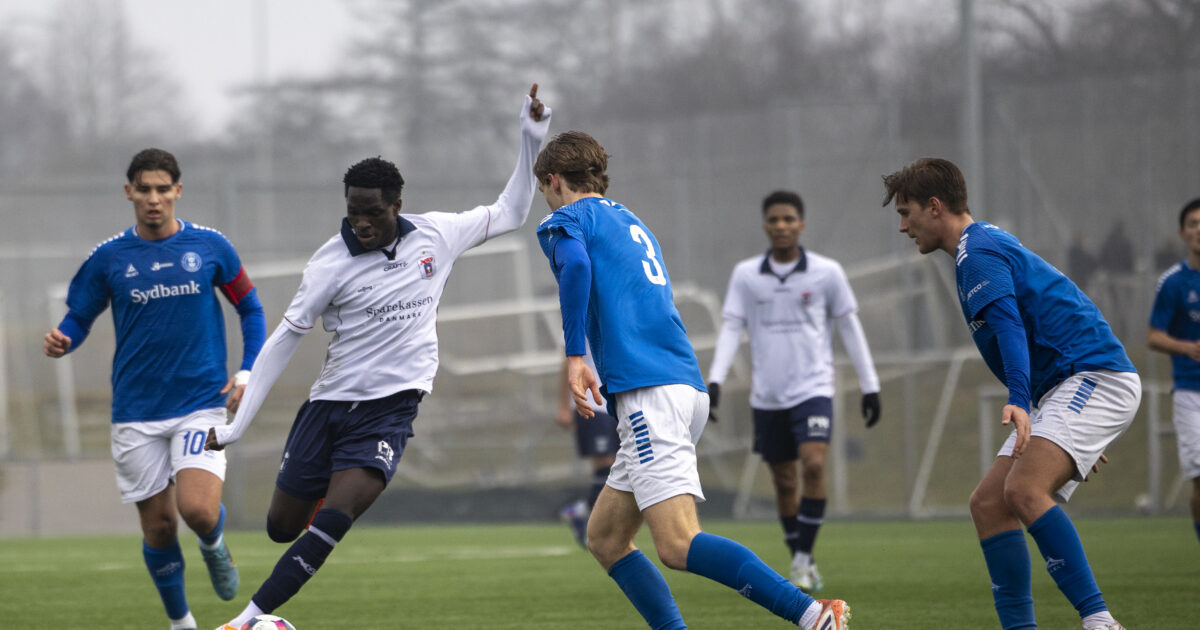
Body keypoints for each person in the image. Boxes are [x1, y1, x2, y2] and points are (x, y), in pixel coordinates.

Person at [205, 85, 550, 630]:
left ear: (396, 206)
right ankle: (292, 549)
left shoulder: (436, 235)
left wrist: (531, 137)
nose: (361, 222)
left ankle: (246, 621)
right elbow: (283, 342)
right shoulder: (328, 265)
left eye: (372, 212)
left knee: (335, 518)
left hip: (390, 410)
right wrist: (237, 427)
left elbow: (511, 211)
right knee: (281, 527)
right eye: (353, 212)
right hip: (328, 407)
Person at [534, 130, 850, 630]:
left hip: (649, 395)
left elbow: (573, 267)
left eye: (542, 189)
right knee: (606, 539)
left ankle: (812, 614)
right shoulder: (630, 220)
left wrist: (576, 355)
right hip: (681, 385)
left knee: (678, 544)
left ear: (553, 180)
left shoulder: (566, 219)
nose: (544, 200)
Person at [883, 157, 1140, 630]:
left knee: (1023, 490)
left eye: (906, 212)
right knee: (988, 503)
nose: (902, 227)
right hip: (1066, 387)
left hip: (1093, 376)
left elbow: (1010, 329)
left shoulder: (976, 253)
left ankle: (1100, 621)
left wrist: (1021, 401)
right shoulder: (978, 246)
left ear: (934, 206)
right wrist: (1065, 428)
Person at [43, 148, 267, 630]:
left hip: (200, 402)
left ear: (177, 191)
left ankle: (213, 543)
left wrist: (248, 371)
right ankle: (181, 623)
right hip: (136, 410)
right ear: (129, 192)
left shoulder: (210, 246)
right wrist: (64, 339)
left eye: (162, 189)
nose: (153, 198)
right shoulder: (110, 257)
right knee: (160, 528)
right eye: (143, 189)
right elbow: (79, 316)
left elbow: (250, 307)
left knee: (198, 510)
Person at [706, 190, 881, 592]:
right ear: (765, 225)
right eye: (774, 219)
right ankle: (800, 556)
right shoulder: (746, 275)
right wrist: (715, 379)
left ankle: (803, 558)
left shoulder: (827, 273)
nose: (781, 226)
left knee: (814, 465)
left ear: (801, 224)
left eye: (788, 219)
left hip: (813, 389)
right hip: (767, 396)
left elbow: (849, 326)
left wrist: (870, 385)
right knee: (784, 482)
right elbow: (732, 327)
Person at [1147, 196, 1200, 549]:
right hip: (1190, 393)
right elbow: (1153, 336)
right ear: (1182, 233)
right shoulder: (1173, 282)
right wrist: (1188, 348)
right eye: (1193, 224)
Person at [554, 346, 620, 547]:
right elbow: (568, 362)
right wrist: (564, 406)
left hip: (616, 403)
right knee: (605, 466)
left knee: (620, 466)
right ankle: (594, 524)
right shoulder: (579, 327)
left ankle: (581, 511)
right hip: (591, 403)